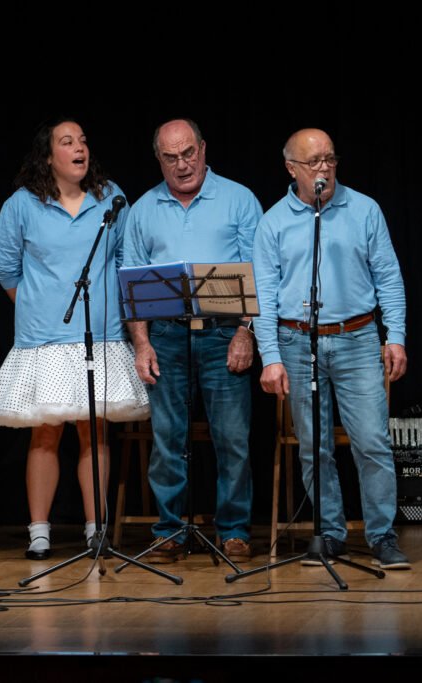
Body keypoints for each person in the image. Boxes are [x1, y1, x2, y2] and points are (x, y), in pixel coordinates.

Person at [0, 119, 148, 559]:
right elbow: (5, 271)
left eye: (83, 141)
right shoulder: (22, 204)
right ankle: (39, 531)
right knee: (45, 434)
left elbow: (126, 261)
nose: (79, 148)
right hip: (45, 338)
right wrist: (40, 306)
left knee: (94, 431)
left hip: (100, 335)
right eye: (67, 142)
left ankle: (96, 528)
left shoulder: (110, 197)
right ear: (48, 155)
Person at [252, 128, 410, 569]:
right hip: (296, 341)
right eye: (314, 162)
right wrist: (271, 358)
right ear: (292, 169)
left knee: (372, 442)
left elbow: (389, 277)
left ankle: (382, 535)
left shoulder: (364, 210)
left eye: (330, 158)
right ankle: (330, 534)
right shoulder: (273, 222)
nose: (324, 168)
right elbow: (263, 296)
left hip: (357, 337)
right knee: (313, 447)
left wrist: (395, 336)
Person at [122, 118, 262, 562]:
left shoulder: (239, 199)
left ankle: (234, 531)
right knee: (168, 441)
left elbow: (261, 273)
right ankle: (169, 531)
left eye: (188, 153)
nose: (182, 164)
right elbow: (132, 286)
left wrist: (246, 332)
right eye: (171, 157)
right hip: (166, 336)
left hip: (224, 334)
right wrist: (142, 344)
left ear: (203, 149)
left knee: (232, 440)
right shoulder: (142, 209)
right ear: (158, 160)